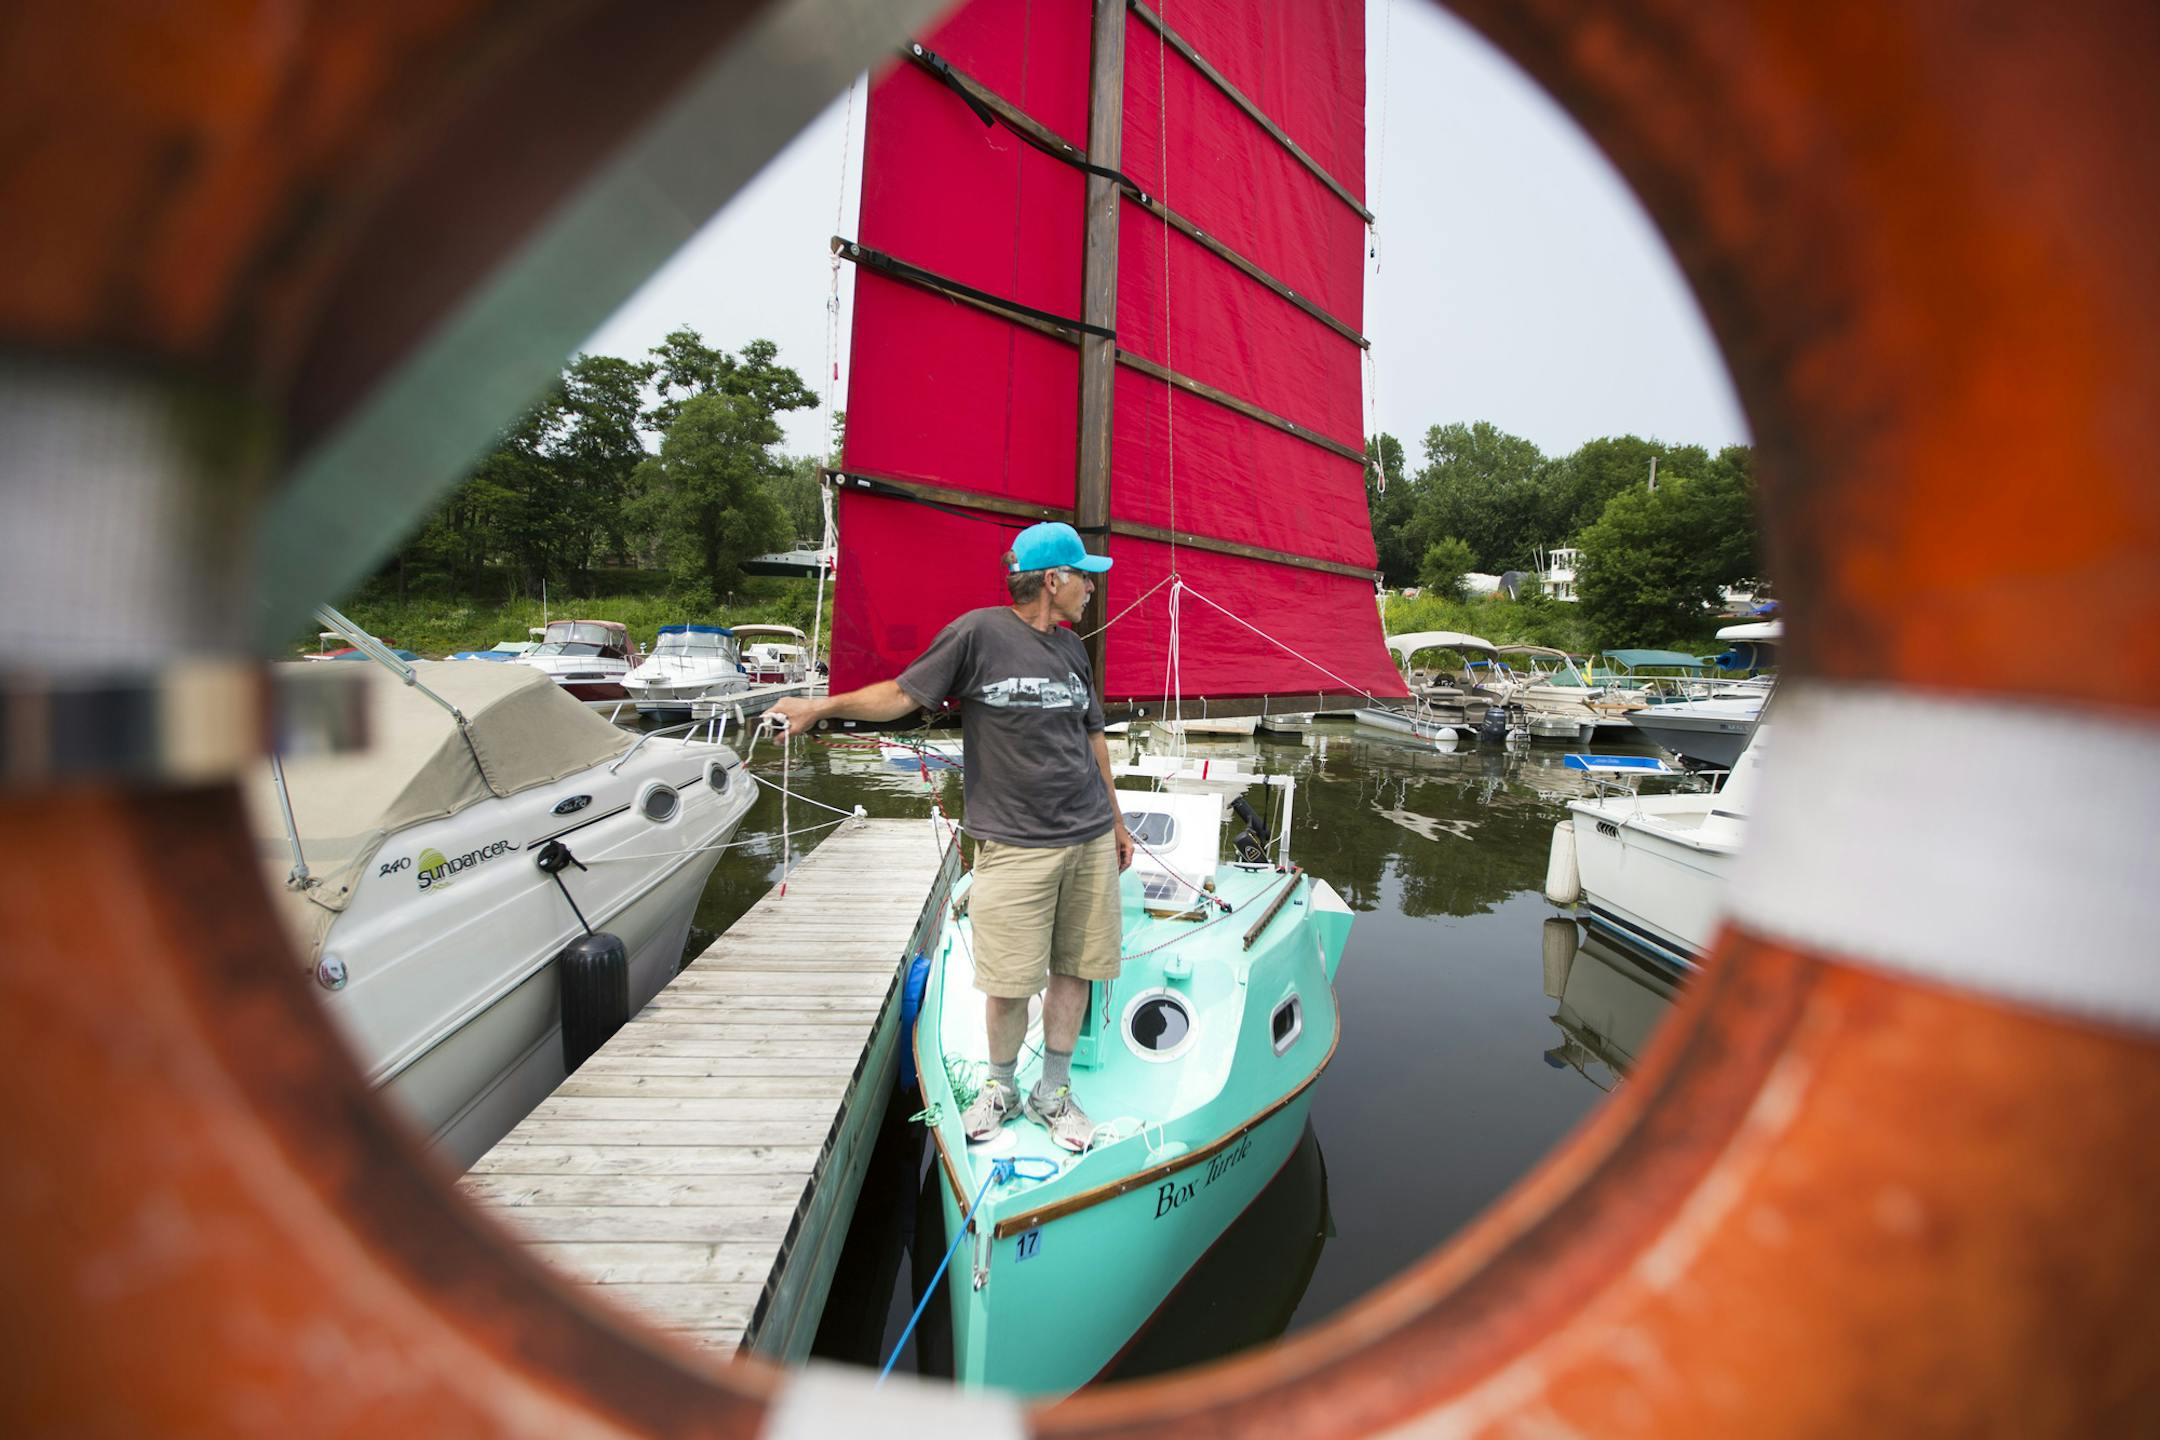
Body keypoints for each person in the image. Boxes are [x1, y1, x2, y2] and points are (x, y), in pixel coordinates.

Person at [768, 522, 1133, 1151]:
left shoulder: (1074, 650)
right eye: (1084, 577)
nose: (1091, 590)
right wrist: (821, 707)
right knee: (1010, 980)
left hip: (1090, 836)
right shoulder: (978, 634)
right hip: (1016, 845)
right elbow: (902, 694)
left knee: (1076, 969)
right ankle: (1000, 1089)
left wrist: (1118, 819)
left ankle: (1054, 1091)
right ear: (1053, 580)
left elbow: (1092, 736)